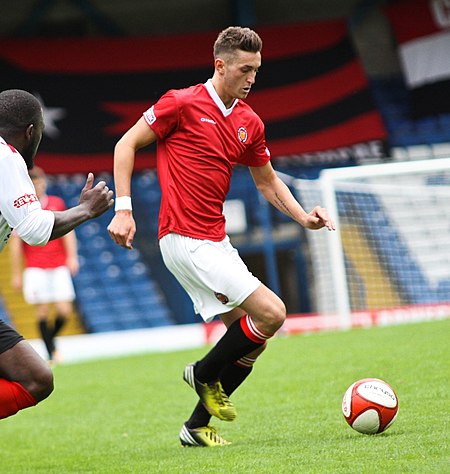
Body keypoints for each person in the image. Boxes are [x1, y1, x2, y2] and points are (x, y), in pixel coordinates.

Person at [107, 26, 335, 447]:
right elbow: (125, 144)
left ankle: (195, 427)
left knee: (251, 342)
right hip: (183, 237)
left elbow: (267, 182)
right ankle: (203, 372)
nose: (251, 78)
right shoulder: (181, 103)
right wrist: (124, 208)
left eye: (257, 70)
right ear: (220, 65)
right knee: (272, 313)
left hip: (215, 240)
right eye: (245, 69)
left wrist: (304, 217)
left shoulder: (249, 122)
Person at [0, 89, 114, 420]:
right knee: (35, 379)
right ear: (32, 133)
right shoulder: (7, 158)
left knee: (35, 377)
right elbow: (35, 230)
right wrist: (86, 210)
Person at [10, 166, 79, 364]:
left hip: (58, 265)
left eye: (39, 183)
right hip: (35, 266)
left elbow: (68, 231)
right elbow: (15, 244)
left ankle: (51, 342)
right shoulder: (22, 209)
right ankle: (51, 353)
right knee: (42, 311)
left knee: (65, 311)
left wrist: (72, 257)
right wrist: (16, 274)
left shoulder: (56, 203)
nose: (37, 187)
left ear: (44, 184)